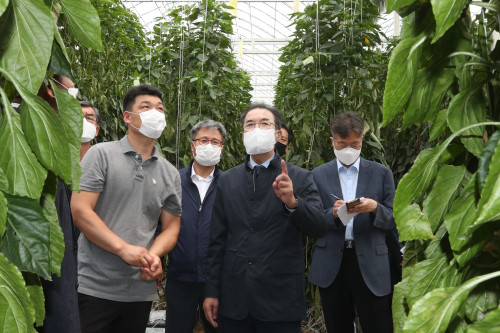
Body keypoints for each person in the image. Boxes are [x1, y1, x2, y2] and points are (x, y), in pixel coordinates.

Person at [203, 103, 327, 333]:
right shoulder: (227, 180)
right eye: (250, 124)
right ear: (242, 135)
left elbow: (319, 226)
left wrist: (293, 203)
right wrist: (211, 291)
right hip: (235, 299)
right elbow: (217, 240)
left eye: (265, 123)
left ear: (278, 134)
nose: (257, 128)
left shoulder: (300, 177)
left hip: (280, 299)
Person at [71, 85, 182, 333]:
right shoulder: (101, 155)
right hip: (96, 286)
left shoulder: (170, 173)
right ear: (127, 117)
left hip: (139, 291)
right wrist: (123, 249)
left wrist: (153, 255)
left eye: (160, 109)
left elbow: (171, 227)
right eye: (146, 107)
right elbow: (80, 210)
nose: (155, 113)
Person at [308, 112, 396, 333]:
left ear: (362, 141)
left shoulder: (381, 173)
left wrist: (375, 208)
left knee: (378, 324)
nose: (348, 149)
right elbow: (311, 222)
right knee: (338, 325)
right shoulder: (317, 175)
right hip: (333, 264)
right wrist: (334, 214)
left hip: (370, 262)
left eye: (354, 144)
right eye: (342, 144)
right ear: (332, 141)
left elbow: (396, 218)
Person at [38, 75, 99, 333]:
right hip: (58, 276)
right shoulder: (56, 156)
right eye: (69, 91)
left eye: (90, 118)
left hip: (84, 274)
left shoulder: (100, 165)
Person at [165, 119, 226, 333]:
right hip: (180, 276)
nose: (209, 145)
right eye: (203, 140)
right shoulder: (173, 180)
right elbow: (158, 222)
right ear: (193, 146)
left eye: (215, 142)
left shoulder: (230, 184)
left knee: (219, 327)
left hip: (219, 280)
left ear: (222, 148)